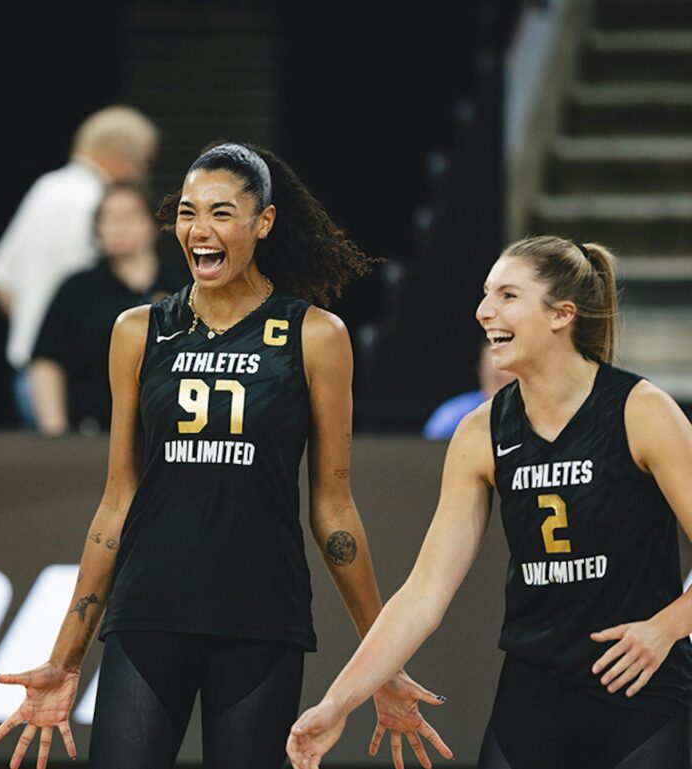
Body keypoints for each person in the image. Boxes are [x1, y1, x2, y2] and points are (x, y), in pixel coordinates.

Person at [0, 143, 452, 769]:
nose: (199, 230)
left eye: (222, 213)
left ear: (263, 223)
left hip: (261, 618)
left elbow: (334, 508)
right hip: (148, 611)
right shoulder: (139, 330)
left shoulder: (315, 335)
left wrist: (382, 663)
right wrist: (65, 658)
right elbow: (117, 501)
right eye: (187, 212)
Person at [288, 236, 692, 769]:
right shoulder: (481, 431)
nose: (484, 311)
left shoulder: (640, 411)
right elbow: (425, 592)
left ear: (561, 315)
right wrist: (338, 701)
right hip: (534, 695)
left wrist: (666, 627)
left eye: (507, 295)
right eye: (485, 294)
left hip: (641, 694)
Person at [0, 106, 159, 426]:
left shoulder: (45, 188)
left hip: (26, 371)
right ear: (123, 156)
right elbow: (101, 292)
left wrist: (33, 323)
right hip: (73, 384)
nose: (142, 175)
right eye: (143, 163)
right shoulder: (98, 200)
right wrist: (58, 334)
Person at [30, 181, 187, 435]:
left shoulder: (183, 285)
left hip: (170, 430)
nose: (118, 226)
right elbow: (47, 360)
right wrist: (55, 432)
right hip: (92, 429)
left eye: (128, 216)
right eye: (108, 218)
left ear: (152, 224)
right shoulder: (77, 288)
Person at [422, 343, 516, 440]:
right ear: (480, 371)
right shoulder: (455, 414)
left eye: (513, 380)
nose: (506, 388)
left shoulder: (529, 413)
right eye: (497, 379)